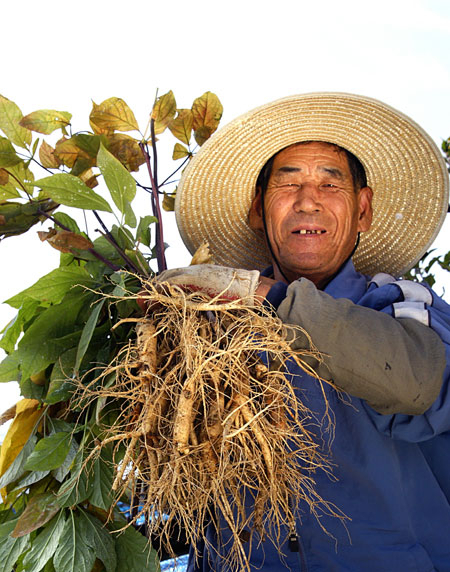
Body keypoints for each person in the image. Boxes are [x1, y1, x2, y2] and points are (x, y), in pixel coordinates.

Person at [160, 93, 450, 571]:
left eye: (330, 184)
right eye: (287, 183)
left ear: (363, 210)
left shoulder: (400, 304)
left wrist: (270, 299)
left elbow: (417, 382)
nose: (308, 200)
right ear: (259, 210)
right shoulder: (216, 328)